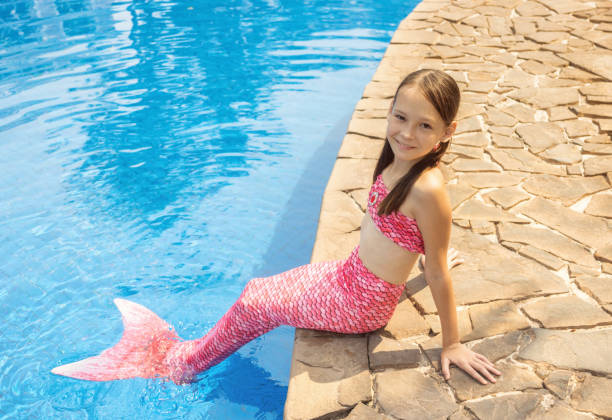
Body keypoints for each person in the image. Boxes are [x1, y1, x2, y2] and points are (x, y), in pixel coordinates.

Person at [52, 68, 502, 386]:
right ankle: (178, 354)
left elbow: (439, 266)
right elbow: (408, 234)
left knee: (254, 301)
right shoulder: (399, 162)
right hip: (350, 275)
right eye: (400, 118)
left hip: (361, 304)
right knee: (258, 290)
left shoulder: (428, 188)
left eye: (425, 126)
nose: (406, 133)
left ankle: (179, 367)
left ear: (448, 131)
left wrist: (453, 343)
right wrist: (425, 256)